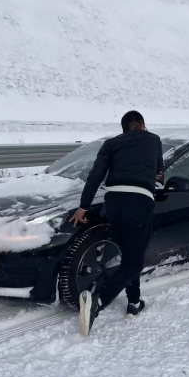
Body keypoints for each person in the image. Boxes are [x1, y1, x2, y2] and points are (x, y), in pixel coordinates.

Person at [69, 110, 163, 336]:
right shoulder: (153, 139)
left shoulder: (111, 144)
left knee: (128, 254)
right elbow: (159, 171)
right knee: (134, 261)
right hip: (139, 201)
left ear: (123, 128)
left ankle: (134, 302)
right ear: (142, 124)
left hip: (114, 202)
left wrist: (84, 206)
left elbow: (95, 175)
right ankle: (97, 301)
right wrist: (154, 175)